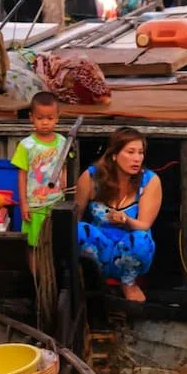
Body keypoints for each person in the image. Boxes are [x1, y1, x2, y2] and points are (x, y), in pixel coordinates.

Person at [74, 129, 159, 303]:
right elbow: (76, 215)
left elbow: (145, 225)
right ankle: (89, 280)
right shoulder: (91, 177)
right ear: (114, 155)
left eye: (141, 153)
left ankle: (129, 283)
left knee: (141, 239)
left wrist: (127, 221)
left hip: (131, 253)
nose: (137, 158)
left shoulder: (150, 181)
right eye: (130, 152)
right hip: (100, 250)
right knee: (77, 229)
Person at [13, 91, 69, 250]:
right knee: (33, 244)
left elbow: (63, 164)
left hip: (56, 202)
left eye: (50, 118)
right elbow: (22, 175)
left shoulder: (62, 142)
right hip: (34, 204)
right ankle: (35, 275)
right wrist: (24, 204)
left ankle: (51, 275)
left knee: (54, 244)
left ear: (57, 117)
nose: (45, 123)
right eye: (40, 118)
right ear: (31, 118)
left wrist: (64, 179)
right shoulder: (26, 145)